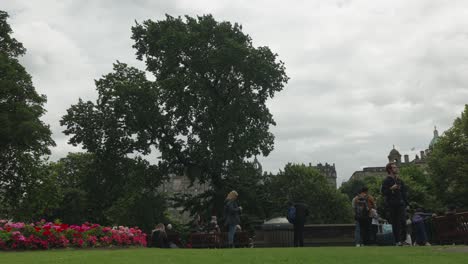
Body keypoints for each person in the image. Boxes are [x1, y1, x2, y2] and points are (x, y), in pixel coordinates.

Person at [381, 162, 409, 246]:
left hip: (401, 204)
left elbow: (404, 192)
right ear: (389, 169)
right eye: (394, 167)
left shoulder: (399, 180)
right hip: (392, 204)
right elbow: (383, 192)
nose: (396, 169)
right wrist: (391, 189)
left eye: (396, 167)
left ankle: (403, 240)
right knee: (395, 223)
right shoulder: (386, 181)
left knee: (403, 221)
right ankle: (397, 241)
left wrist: (406, 203)